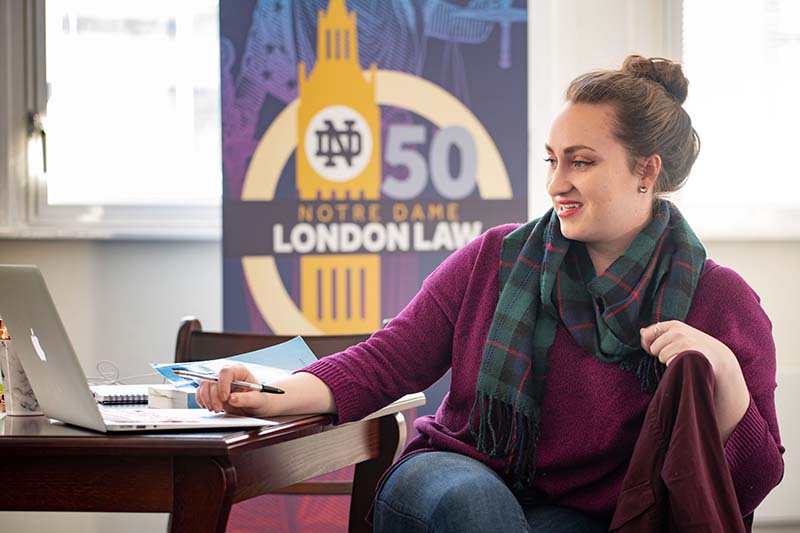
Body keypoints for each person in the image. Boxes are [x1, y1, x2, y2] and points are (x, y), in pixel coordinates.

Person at [196, 55, 784, 532]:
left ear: (646, 172)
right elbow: (386, 360)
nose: (556, 183)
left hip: (585, 512)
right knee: (473, 507)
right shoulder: (496, 258)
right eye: (553, 161)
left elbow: (752, 479)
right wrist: (270, 393)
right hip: (451, 472)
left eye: (581, 162)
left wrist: (725, 374)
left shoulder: (721, 301)